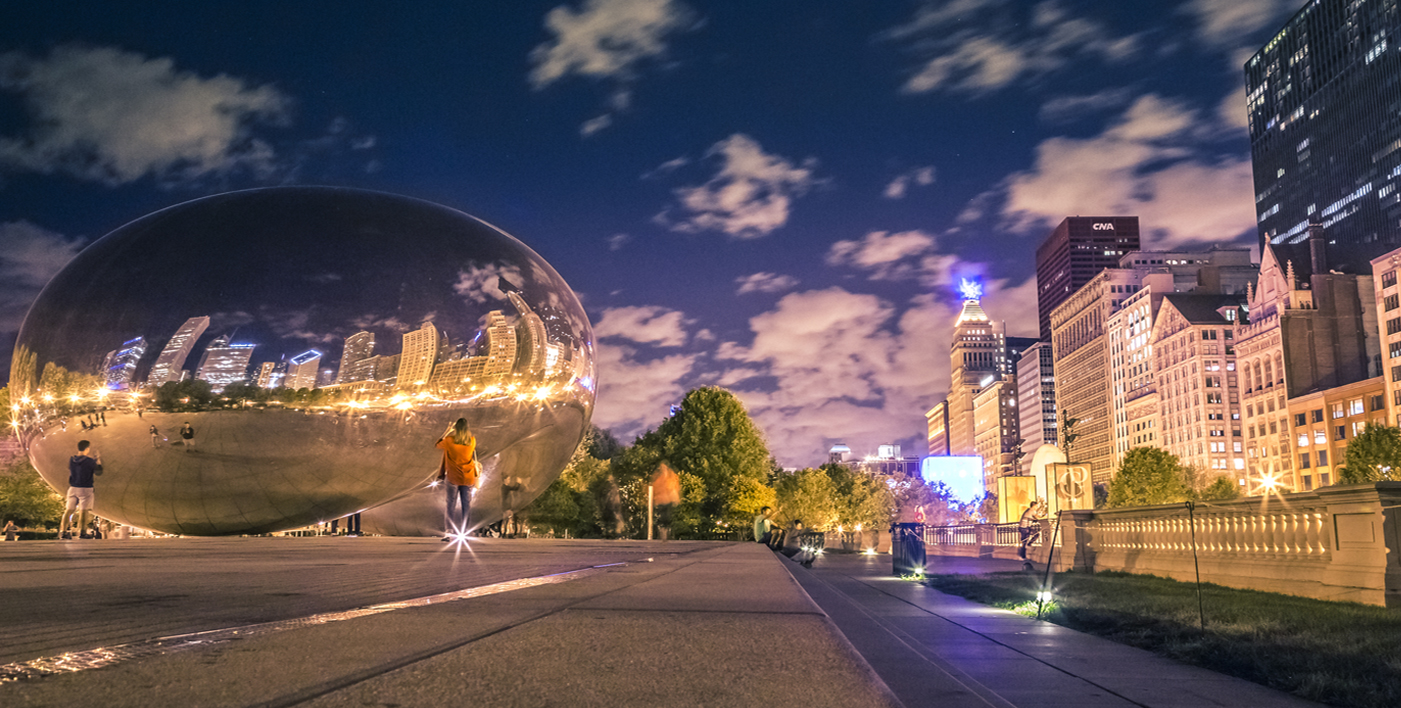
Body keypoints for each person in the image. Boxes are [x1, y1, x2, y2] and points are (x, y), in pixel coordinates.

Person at [436, 418, 479, 541]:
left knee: (450, 504)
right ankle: (465, 532)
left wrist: (447, 431)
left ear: (456, 428)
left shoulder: (449, 440)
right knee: (466, 505)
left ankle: (449, 532)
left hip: (453, 476)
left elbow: (438, 444)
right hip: (467, 476)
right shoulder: (472, 440)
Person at [60, 440, 103, 540]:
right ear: (87, 449)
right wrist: (98, 459)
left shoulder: (72, 460)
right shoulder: (89, 461)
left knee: (68, 511)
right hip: (85, 488)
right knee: (84, 511)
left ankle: (63, 532)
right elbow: (99, 472)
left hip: (73, 488)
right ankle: (83, 533)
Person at [650, 462, 681, 541]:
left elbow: (673, 488)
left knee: (666, 519)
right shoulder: (659, 477)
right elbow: (656, 488)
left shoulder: (670, 477)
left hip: (667, 501)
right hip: (661, 501)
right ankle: (663, 535)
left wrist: (675, 497)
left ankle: (666, 535)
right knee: (662, 519)